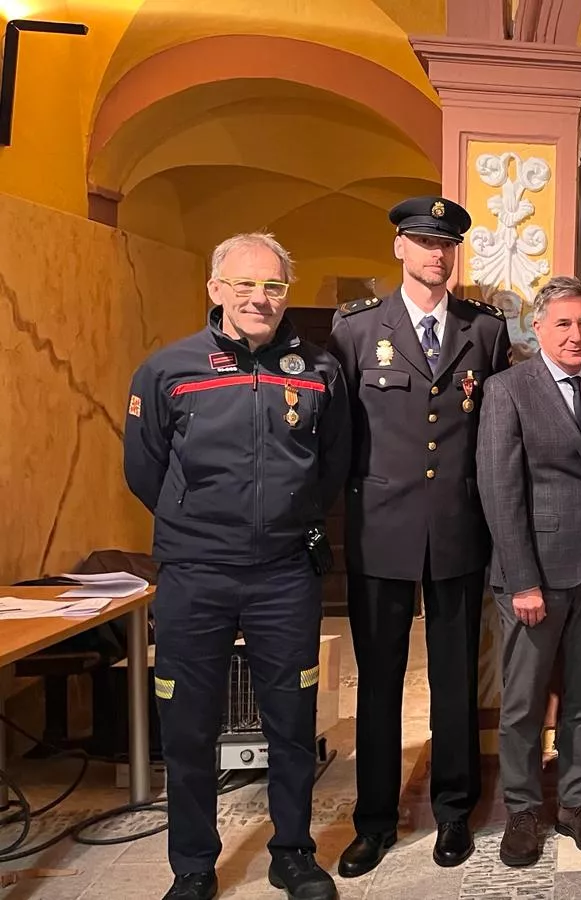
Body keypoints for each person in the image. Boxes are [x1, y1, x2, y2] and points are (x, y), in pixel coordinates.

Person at [123, 233, 350, 900]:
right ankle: (193, 866)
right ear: (215, 289)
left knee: (290, 720)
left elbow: (332, 463)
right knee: (189, 726)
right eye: (245, 284)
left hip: (284, 574)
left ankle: (293, 853)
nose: (260, 298)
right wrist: (202, 519)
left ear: (286, 295)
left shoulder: (319, 371)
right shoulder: (168, 370)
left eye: (274, 286)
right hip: (195, 574)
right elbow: (145, 470)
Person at [329, 197, 511, 878]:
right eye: (423, 242)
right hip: (380, 529)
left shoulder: (483, 332)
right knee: (376, 683)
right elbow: (340, 438)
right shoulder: (355, 332)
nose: (436, 255)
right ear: (399, 249)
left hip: (458, 528)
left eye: (446, 244)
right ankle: (374, 820)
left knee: (455, 679)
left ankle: (454, 811)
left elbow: (491, 435)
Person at [477, 277, 581, 865]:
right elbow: (499, 490)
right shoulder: (508, 390)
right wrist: (522, 580)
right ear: (537, 328)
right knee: (523, 702)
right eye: (563, 324)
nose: (576, 335)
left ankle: (574, 804)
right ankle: (521, 809)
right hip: (534, 575)